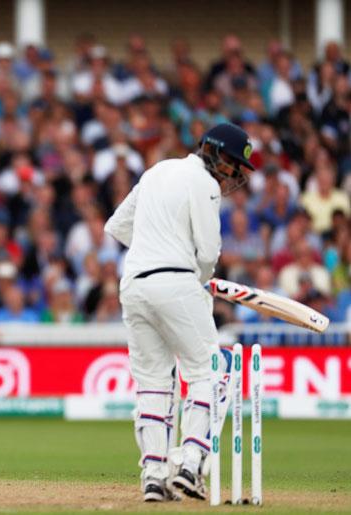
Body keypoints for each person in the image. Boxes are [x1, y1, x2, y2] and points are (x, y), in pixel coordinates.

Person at [104, 123, 254, 502]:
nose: (235, 175)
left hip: (134, 284)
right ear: (215, 154)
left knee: (153, 382)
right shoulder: (203, 184)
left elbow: (117, 225)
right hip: (176, 282)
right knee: (210, 371)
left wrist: (156, 247)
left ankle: (153, 476)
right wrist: (191, 273)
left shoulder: (156, 171)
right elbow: (207, 254)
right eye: (234, 164)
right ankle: (189, 464)